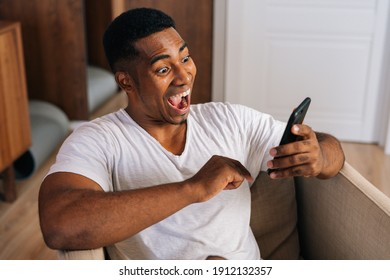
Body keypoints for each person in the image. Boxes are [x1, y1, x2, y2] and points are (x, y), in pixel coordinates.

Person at [38, 7, 345, 260]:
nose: (184, 76)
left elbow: (330, 148)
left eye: (184, 58)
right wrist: (192, 189)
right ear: (126, 81)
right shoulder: (98, 140)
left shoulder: (229, 119)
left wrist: (319, 157)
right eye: (163, 69)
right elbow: (59, 223)